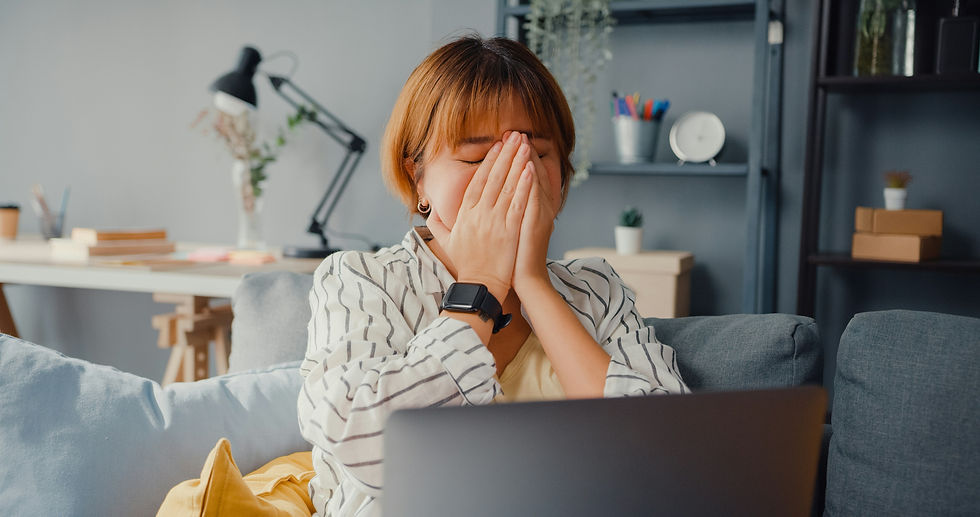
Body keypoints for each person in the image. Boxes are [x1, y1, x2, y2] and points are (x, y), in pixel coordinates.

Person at [297, 34, 689, 517]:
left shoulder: (596, 289)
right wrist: (480, 285)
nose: (512, 175)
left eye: (537, 154)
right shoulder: (362, 279)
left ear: (562, 174)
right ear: (417, 175)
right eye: (479, 158)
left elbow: (669, 461)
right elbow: (368, 448)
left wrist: (534, 285)